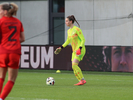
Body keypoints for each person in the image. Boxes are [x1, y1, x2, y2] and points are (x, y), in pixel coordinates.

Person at [0, 2, 25, 100]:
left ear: (5, 11)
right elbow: (22, 38)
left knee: (1, 77)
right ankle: (1, 98)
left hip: (3, 52)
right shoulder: (18, 22)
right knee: (11, 79)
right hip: (15, 52)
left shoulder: (1, 22)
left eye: (1, 10)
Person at [54, 15, 86, 86]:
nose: (65, 22)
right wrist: (61, 47)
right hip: (74, 51)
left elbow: (83, 39)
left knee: (74, 65)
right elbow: (68, 41)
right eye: (65, 21)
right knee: (73, 66)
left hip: (80, 49)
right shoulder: (69, 31)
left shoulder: (77, 29)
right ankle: (80, 80)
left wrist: (80, 48)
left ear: (71, 21)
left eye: (67, 21)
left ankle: (82, 80)